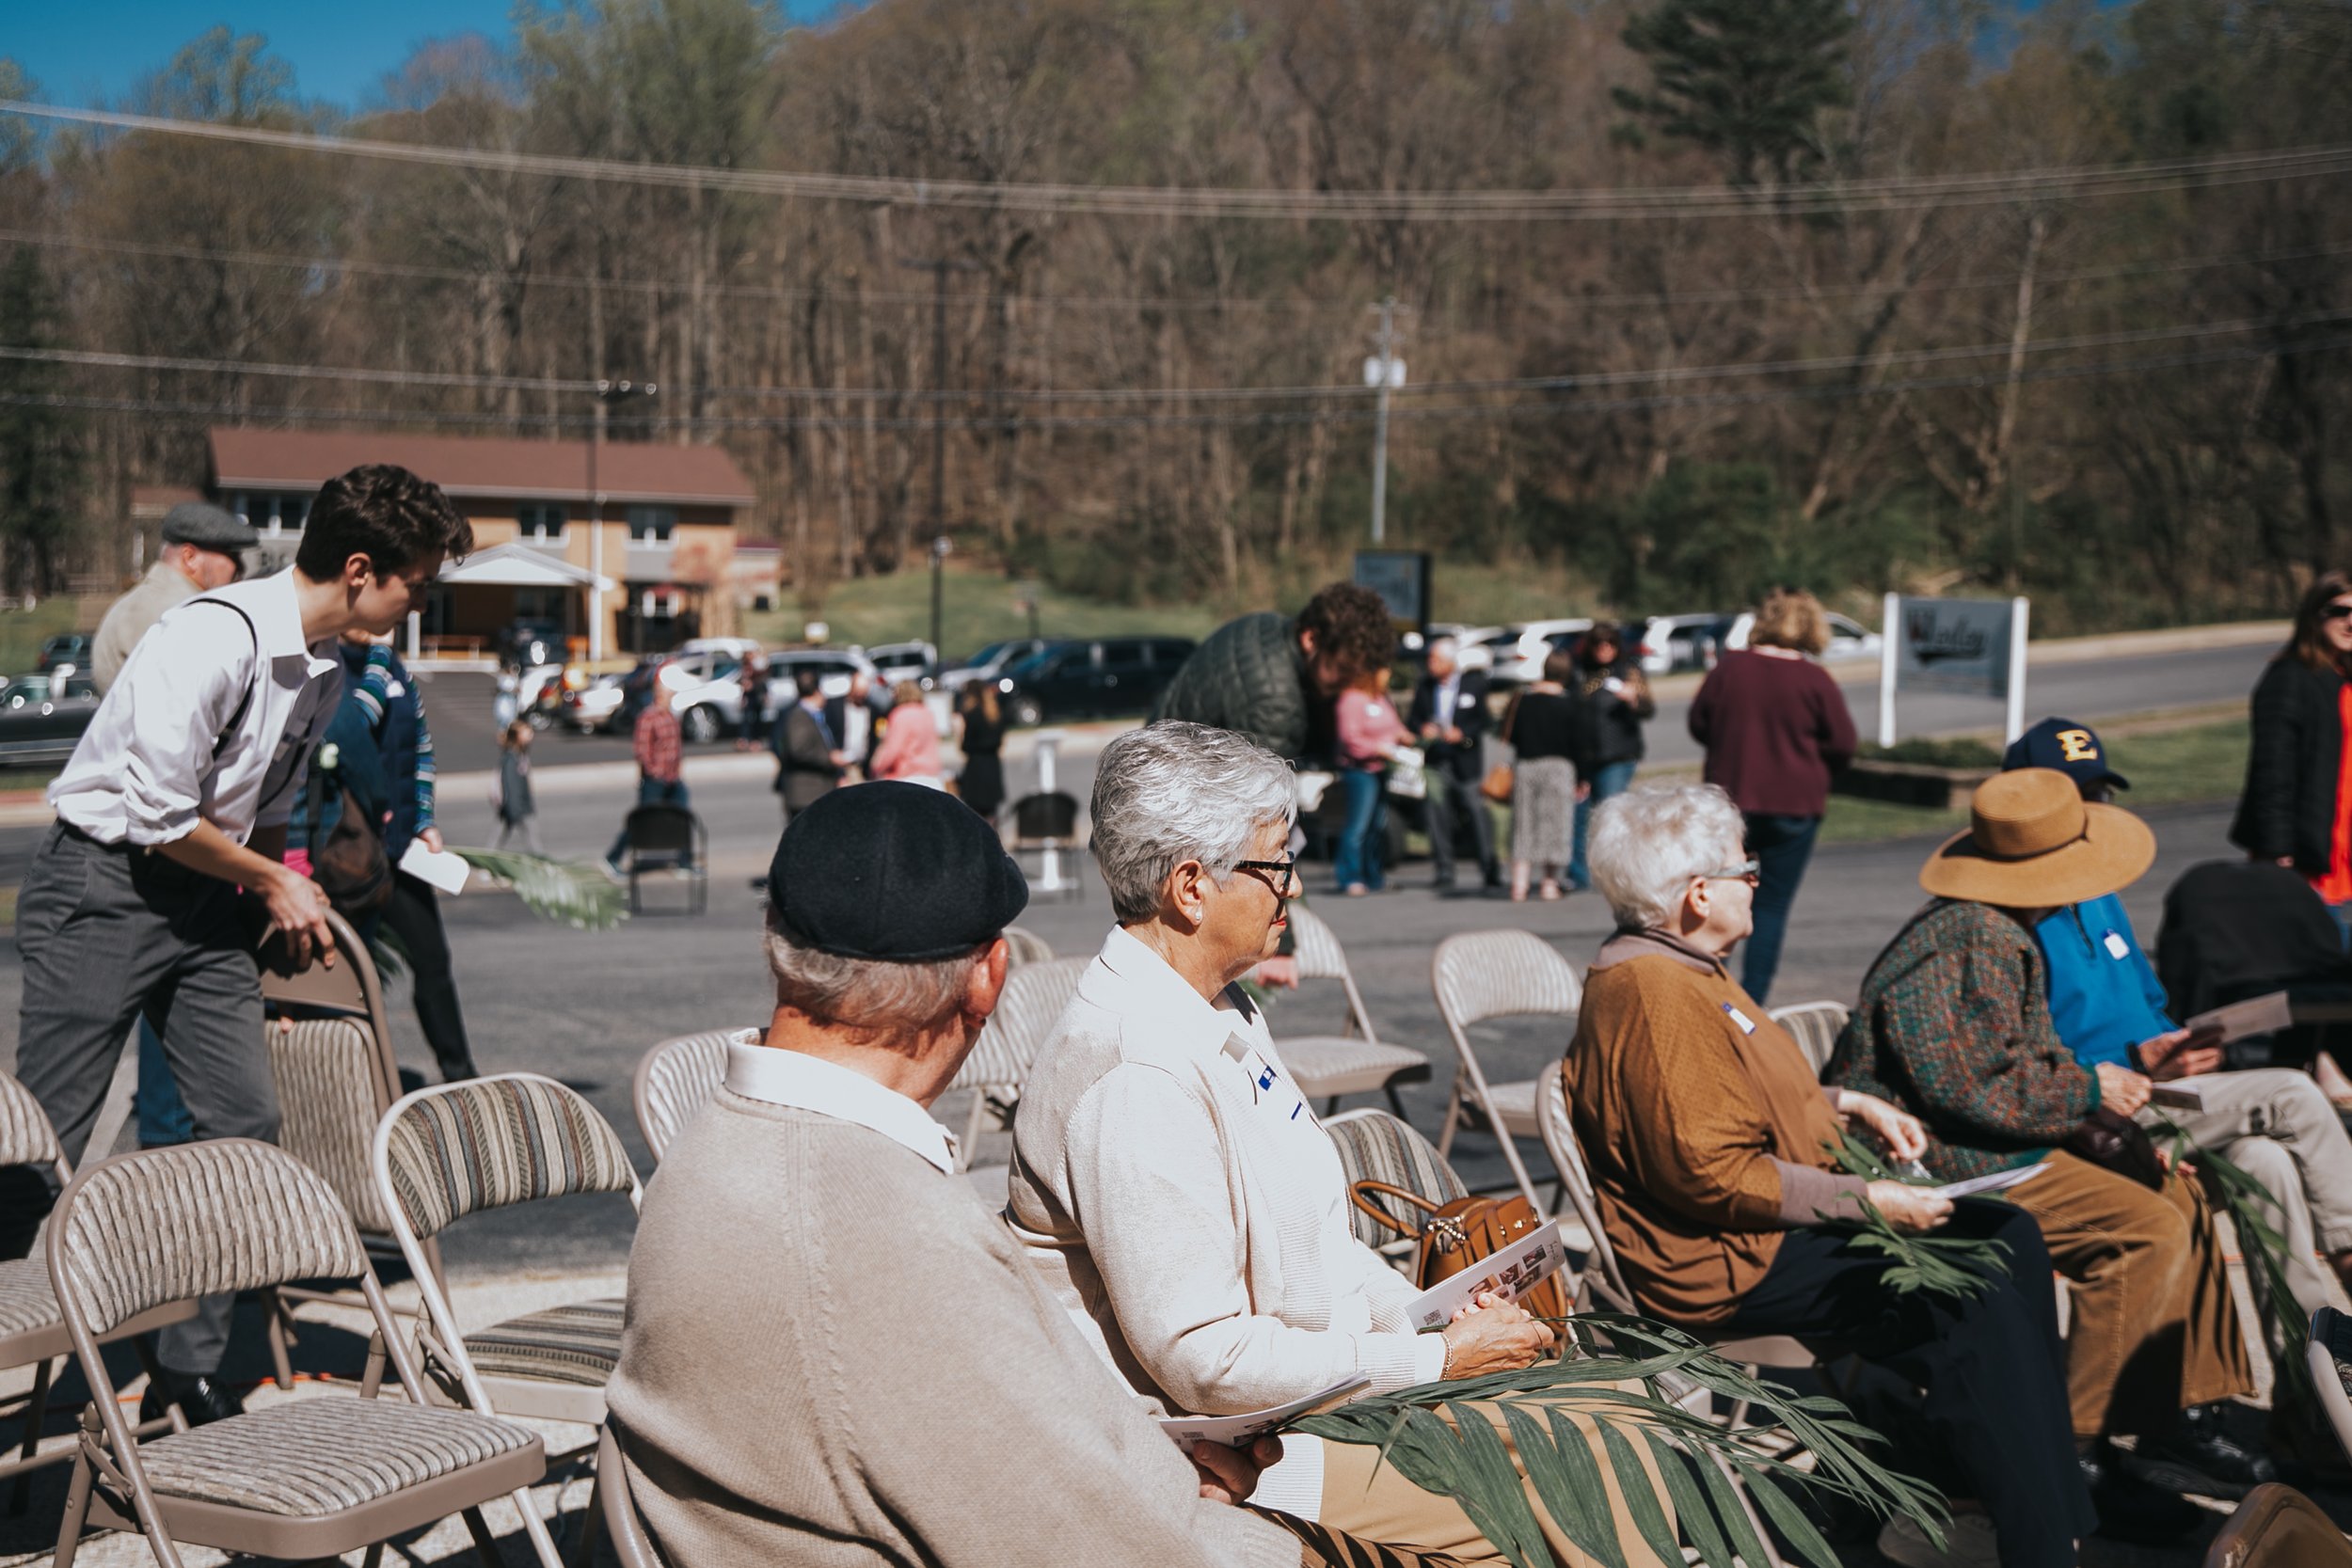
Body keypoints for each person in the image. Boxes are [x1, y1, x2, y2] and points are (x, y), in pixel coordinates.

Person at [604, 782, 1469, 1568]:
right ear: (990, 977)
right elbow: (1107, 1547)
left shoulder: (703, 1155)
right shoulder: (887, 1232)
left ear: (779, 949)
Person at [1007, 722, 1676, 1565]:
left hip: (1307, 1402)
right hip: (1216, 1456)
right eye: (1277, 864)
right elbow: (1206, 1361)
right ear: (1190, 887)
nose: (1293, 890)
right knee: (1600, 1468)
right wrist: (1431, 1358)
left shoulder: (1216, 1008)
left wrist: (1433, 1322)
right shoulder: (1135, 1066)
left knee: (1616, 1415)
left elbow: (1320, 1243)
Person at [9, 463, 469, 1427]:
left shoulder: (330, 666)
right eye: (414, 582)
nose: (419, 598)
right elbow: (160, 813)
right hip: (105, 885)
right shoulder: (211, 638)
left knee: (243, 1124)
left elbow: (257, 807)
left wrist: (267, 895)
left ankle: (185, 1367)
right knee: (38, 1143)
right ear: (358, 569)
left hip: (209, 903)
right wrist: (272, 877)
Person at [1565, 781, 2091, 1568]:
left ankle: (1992, 1496)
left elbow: (1730, 1092)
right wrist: (1867, 1196)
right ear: (1697, 893)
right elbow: (1710, 1171)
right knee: (1969, 1295)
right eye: (1748, 870)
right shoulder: (1656, 991)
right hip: (1724, 1255)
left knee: (2007, 1235)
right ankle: (2032, 1534)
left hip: (1756, 1223)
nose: (1756, 882)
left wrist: (1845, 1102)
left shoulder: (1685, 966)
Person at [1828, 768, 2265, 1540]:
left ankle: (2166, 1414)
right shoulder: (1969, 936)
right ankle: (2074, 1454)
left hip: (1986, 1144)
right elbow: (1968, 1086)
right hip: (1939, 1160)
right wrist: (2088, 1085)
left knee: (2184, 1197)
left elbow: (2002, 1067)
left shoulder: (1997, 927)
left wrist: (2093, 1102)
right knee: (2144, 1229)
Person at [2009, 718, 2352, 1347]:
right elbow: (2025, 1057)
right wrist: (2139, 1058)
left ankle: (2307, 1397)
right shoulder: (2014, 915)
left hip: (2162, 1091)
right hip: (2100, 1112)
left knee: (2267, 1162)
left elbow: (2152, 1004)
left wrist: (2180, 1045)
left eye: (2099, 795)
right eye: (2074, 797)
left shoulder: (2098, 890)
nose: (2090, 811)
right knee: (2294, 1094)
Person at [88, 499, 255, 1151]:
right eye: (230, 560)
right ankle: (167, 1141)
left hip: (139, 819)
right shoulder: (176, 616)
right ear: (192, 556)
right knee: (172, 994)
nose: (239, 572)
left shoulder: (137, 606)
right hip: (160, 829)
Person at [1686, 588, 1857, 1003]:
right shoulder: (1815, 679)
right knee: (1771, 908)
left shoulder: (1730, 670)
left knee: (1715, 899)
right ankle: (1750, 1003)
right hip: (1793, 806)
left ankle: (1708, 993)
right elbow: (1843, 744)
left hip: (1730, 803)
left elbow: (1699, 723)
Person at [2233, 569, 2352, 946]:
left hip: (2340, 840)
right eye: (2338, 611)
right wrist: (2278, 847)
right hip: (2306, 850)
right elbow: (2272, 770)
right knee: (2320, 958)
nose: (2350, 621)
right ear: (2314, 615)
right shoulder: (2290, 678)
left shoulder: (2341, 673)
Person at [1153, 581, 1396, 764]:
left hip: (1162, 761)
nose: (1346, 686)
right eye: (1342, 670)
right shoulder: (1277, 703)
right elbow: (1263, 803)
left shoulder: (1267, 625)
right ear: (1311, 638)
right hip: (1180, 796)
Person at [90, 499, 253, 691]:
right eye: (232, 556)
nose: (241, 568)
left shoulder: (135, 602)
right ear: (190, 557)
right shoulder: (182, 615)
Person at [1563, 624, 1653, 894]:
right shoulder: (1579, 674)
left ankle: (1618, 873)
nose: (1604, 650)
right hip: (1585, 757)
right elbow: (1571, 716)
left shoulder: (1628, 671)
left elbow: (1648, 709)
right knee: (1579, 816)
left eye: (1610, 644)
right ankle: (1578, 875)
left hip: (1618, 755)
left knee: (1611, 816)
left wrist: (1633, 700)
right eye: (1599, 645)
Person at [1406, 636, 1499, 892]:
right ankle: (1444, 870)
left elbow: (1484, 722)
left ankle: (1489, 868)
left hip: (1465, 761)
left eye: (1435, 659)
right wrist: (1422, 728)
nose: (1430, 664)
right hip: (1437, 760)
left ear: (1449, 661)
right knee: (1437, 815)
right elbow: (1413, 720)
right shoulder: (1425, 686)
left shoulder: (1474, 684)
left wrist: (1463, 734)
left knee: (1477, 812)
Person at [1503, 649, 1576, 902]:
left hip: (1526, 766)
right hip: (1559, 767)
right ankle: (1548, 884)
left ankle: (1519, 885)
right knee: (1555, 824)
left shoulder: (1524, 699)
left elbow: (1511, 736)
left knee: (1524, 824)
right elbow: (1578, 742)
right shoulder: (1569, 703)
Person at [605, 669, 691, 876]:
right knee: (643, 819)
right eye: (669, 692)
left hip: (673, 778)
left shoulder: (670, 715)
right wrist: (654, 772)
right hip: (656, 779)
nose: (672, 696)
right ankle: (613, 857)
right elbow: (642, 750)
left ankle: (684, 861)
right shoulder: (648, 717)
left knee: (683, 816)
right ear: (660, 693)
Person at [1332, 669, 1408, 895]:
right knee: (1358, 827)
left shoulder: (1381, 698)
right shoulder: (1352, 700)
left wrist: (1405, 737)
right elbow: (1350, 739)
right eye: (1383, 671)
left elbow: (1393, 726)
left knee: (1377, 825)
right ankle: (1350, 876)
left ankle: (1373, 875)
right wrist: (1378, 748)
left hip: (1380, 769)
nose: (1387, 675)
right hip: (1359, 771)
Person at [772, 666, 843, 818]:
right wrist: (829, 758)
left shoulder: (811, 714)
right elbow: (798, 749)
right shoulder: (799, 716)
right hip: (806, 793)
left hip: (814, 791)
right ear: (818, 690)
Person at [866, 679, 945, 786]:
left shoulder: (900, 714)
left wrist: (876, 768)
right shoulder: (927, 713)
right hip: (932, 776)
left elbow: (892, 749)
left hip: (909, 777)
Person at [953, 679, 1006, 820]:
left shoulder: (972, 714)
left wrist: (959, 734)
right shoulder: (995, 713)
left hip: (976, 769)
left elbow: (966, 746)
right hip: (993, 766)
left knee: (976, 818)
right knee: (992, 815)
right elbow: (999, 741)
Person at [824, 668, 886, 778]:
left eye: (863, 695)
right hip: (840, 766)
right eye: (857, 694)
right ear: (851, 688)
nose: (860, 698)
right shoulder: (834, 706)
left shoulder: (873, 709)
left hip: (862, 765)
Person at [494, 720, 543, 853]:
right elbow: (511, 786)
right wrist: (515, 809)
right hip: (516, 807)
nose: (531, 735)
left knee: (498, 839)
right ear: (518, 736)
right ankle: (541, 865)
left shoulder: (520, 754)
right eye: (527, 732)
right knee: (532, 840)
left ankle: (486, 864)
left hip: (517, 807)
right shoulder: (511, 758)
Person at [733, 648, 768, 752]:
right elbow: (742, 680)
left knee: (757, 720)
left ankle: (755, 741)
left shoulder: (757, 666)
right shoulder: (745, 667)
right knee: (746, 720)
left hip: (757, 695)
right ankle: (744, 740)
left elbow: (762, 681)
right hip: (749, 696)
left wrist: (754, 686)